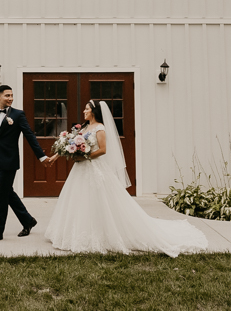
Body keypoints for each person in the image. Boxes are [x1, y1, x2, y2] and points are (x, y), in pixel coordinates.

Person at [44, 100, 208, 256]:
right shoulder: (85, 127)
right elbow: (70, 145)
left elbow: (102, 150)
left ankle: (102, 234)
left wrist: (85, 157)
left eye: (87, 109)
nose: (84, 111)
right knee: (79, 200)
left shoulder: (100, 128)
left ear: (94, 111)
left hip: (94, 168)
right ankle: (74, 233)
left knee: (99, 201)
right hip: (80, 170)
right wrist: (55, 157)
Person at [0, 84, 50, 243]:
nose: (10, 98)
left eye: (12, 95)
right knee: (7, 192)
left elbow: (30, 136)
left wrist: (41, 156)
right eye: (7, 95)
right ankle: (27, 220)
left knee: (1, 194)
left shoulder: (18, 115)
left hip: (9, 162)